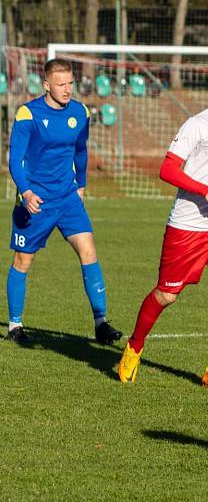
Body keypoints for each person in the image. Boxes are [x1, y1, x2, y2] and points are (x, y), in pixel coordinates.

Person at [117, 69, 208, 390]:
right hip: (189, 226)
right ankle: (134, 346)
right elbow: (167, 168)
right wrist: (204, 190)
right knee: (167, 294)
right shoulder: (197, 125)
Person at [6, 58, 122, 345]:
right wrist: (26, 191)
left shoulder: (80, 112)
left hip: (67, 198)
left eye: (70, 83)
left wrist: (81, 184)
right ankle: (15, 326)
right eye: (61, 84)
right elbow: (15, 160)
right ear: (46, 85)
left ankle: (101, 323)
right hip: (36, 200)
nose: (68, 89)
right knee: (23, 261)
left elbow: (80, 151)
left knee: (89, 251)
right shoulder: (27, 114)